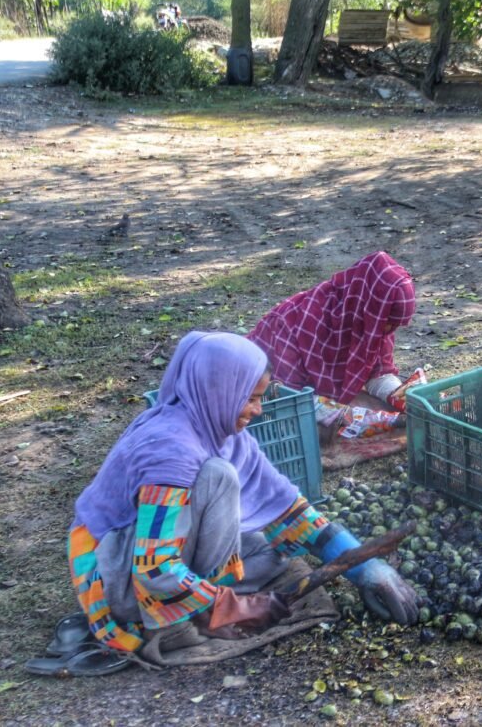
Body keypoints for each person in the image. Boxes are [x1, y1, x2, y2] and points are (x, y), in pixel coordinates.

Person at [32, 331, 417, 676]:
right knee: (220, 479)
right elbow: (155, 565)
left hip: (152, 552)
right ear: (219, 391)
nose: (258, 410)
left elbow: (287, 508)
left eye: (259, 398)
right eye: (249, 399)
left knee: (271, 556)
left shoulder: (217, 428)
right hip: (116, 567)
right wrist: (229, 609)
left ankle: (195, 599)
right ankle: (163, 619)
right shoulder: (171, 450)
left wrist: (363, 567)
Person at [247, 251, 418, 425]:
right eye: (386, 322)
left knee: (394, 414)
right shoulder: (298, 321)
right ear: (368, 308)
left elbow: (378, 372)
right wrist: (343, 415)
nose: (387, 331)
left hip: (321, 396)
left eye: (394, 325)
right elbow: (289, 398)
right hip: (265, 396)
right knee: (322, 428)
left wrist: (401, 394)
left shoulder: (373, 322)